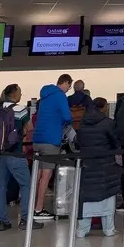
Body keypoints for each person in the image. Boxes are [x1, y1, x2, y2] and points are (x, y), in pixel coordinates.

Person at [0, 84, 42, 231]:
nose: (21, 94)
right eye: (20, 92)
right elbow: (30, 127)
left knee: (1, 187)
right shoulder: (20, 109)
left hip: (0, 154)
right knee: (26, 185)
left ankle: (2, 221)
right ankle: (25, 219)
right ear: (14, 94)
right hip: (15, 153)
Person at [75, 97, 119, 237]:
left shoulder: (83, 122)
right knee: (107, 196)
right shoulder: (108, 123)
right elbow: (115, 143)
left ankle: (82, 230)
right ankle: (108, 229)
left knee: (86, 197)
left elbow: (79, 142)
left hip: (87, 165)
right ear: (105, 107)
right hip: (105, 165)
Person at [32, 73, 73, 220]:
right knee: (46, 176)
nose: (69, 89)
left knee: (36, 176)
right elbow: (67, 117)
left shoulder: (45, 96)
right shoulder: (60, 96)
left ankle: (30, 206)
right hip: (51, 139)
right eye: (69, 86)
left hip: (37, 139)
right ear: (65, 82)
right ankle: (38, 209)